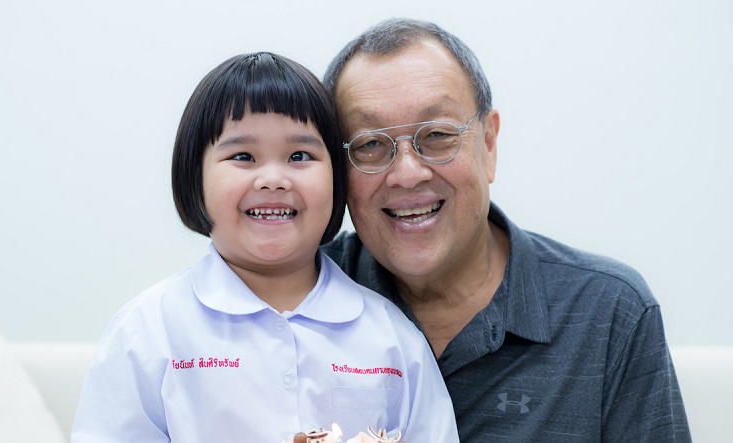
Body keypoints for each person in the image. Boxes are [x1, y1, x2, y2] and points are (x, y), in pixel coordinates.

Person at [319, 18, 691, 442]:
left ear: (489, 144)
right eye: (369, 144)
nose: (407, 174)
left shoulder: (609, 314)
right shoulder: (297, 293)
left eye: (437, 134)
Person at [71, 51, 458, 442]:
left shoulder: (393, 339)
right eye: (243, 156)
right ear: (194, 177)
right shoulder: (148, 333)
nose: (273, 179)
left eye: (299, 156)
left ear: (338, 179)